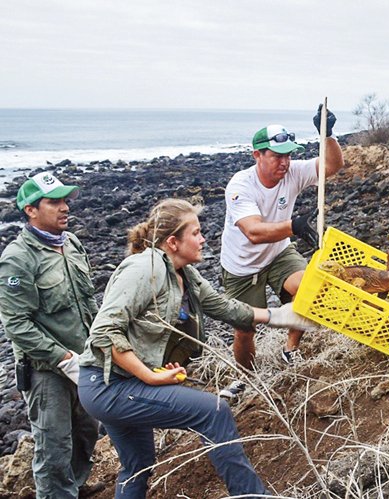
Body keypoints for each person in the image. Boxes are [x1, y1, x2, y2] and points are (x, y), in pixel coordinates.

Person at [77, 198, 312, 498]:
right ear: (173, 242)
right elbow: (105, 332)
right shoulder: (141, 269)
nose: (203, 239)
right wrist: (149, 377)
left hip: (119, 382)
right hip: (106, 386)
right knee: (213, 411)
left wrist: (282, 316)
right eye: (196, 233)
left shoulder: (185, 273)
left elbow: (223, 306)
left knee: (137, 465)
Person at [220, 104, 344, 383]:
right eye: (277, 156)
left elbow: (332, 165)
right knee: (245, 328)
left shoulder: (293, 172)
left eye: (288, 155)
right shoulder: (241, 186)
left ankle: (291, 348)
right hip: (242, 266)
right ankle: (247, 377)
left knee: (308, 289)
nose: (284, 163)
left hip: (278, 253)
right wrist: (295, 226)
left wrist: (328, 135)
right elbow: (253, 232)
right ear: (257, 155)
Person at [0, 172, 102, 498]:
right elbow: (16, 325)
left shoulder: (70, 243)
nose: (64, 207)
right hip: (47, 370)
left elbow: (87, 301)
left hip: (83, 358)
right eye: (54, 202)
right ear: (31, 210)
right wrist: (62, 358)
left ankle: (75, 485)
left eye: (65, 200)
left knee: (87, 430)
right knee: (53, 444)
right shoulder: (18, 259)